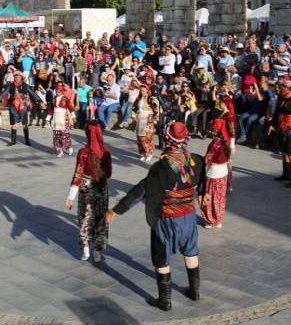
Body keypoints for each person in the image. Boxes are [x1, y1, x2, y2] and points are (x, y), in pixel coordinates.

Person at [105, 122, 206, 309]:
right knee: (191, 251)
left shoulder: (161, 167)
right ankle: (195, 292)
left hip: (166, 218)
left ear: (167, 138)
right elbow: (201, 186)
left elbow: (139, 192)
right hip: (189, 215)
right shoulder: (198, 161)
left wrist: (116, 210)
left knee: (161, 256)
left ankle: (165, 300)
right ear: (186, 139)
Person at [65, 121, 112, 263]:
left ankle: (85, 247)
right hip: (102, 187)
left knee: (85, 216)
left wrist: (70, 197)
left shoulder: (83, 153)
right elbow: (109, 173)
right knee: (101, 219)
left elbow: (78, 174)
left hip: (86, 186)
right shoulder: (106, 151)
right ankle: (97, 251)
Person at [0, 71, 45, 146]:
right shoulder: (10, 86)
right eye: (15, 77)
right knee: (13, 124)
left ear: (21, 77)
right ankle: (13, 141)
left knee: (24, 124)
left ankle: (27, 140)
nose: (17, 79)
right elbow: (4, 93)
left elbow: (33, 94)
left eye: (18, 77)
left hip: (23, 106)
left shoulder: (25, 86)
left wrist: (40, 101)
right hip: (13, 106)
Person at [200, 119, 231, 228]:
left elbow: (207, 158)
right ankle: (218, 219)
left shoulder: (214, 144)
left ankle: (212, 220)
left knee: (210, 195)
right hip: (223, 172)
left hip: (214, 172)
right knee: (220, 196)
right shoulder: (225, 140)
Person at [46, 84, 77, 157]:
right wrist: (47, 119)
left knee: (64, 134)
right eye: (57, 92)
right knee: (56, 135)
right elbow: (51, 110)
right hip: (55, 118)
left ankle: (68, 147)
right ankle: (59, 150)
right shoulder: (53, 99)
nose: (58, 93)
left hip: (63, 118)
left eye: (59, 92)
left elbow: (71, 108)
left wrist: (73, 117)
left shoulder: (65, 98)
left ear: (62, 91)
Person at [132, 85, 160, 161]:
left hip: (147, 119)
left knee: (146, 137)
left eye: (143, 91)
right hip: (139, 119)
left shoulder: (151, 98)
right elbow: (134, 107)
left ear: (147, 91)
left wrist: (155, 118)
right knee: (139, 137)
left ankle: (149, 153)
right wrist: (134, 115)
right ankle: (144, 153)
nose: (142, 92)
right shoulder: (138, 99)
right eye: (141, 91)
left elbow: (156, 107)